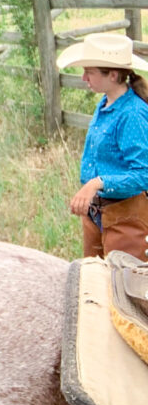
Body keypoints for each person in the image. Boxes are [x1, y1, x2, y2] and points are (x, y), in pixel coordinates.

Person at [57, 32, 148, 261]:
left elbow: (143, 175)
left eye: (90, 72)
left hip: (125, 217)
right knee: (92, 283)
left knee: (125, 290)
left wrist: (97, 183)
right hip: (98, 213)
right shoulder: (106, 102)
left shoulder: (133, 114)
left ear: (113, 75)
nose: (84, 77)